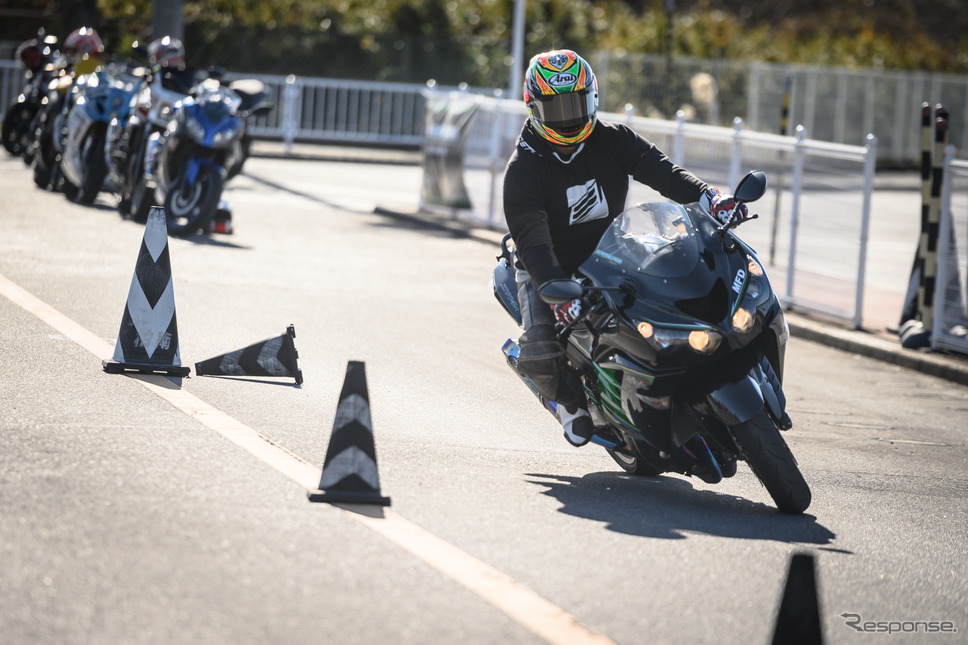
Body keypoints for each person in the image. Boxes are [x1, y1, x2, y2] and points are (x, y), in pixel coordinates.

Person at [503, 49, 745, 447]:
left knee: (681, 296)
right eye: (556, 107)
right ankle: (567, 403)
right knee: (542, 351)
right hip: (550, 268)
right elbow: (532, 241)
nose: (569, 116)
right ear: (534, 107)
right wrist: (554, 291)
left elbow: (666, 174)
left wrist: (710, 199)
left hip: (615, 249)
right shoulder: (523, 171)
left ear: (593, 97)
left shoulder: (614, 139)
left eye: (577, 103)